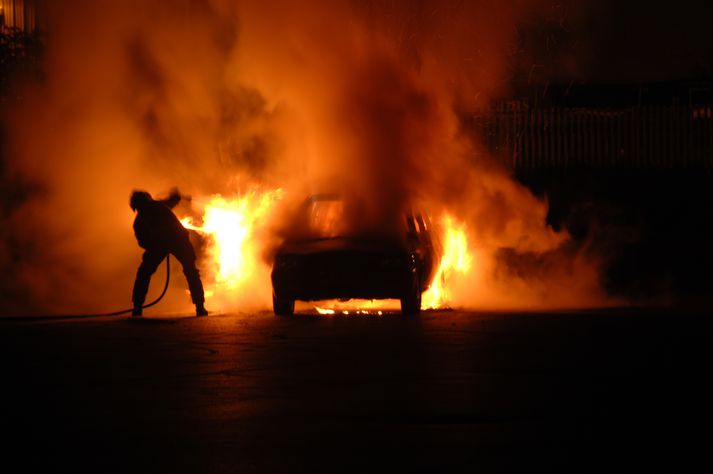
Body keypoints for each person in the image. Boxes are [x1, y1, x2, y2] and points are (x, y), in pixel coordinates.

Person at [129, 188, 207, 317]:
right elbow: (172, 201)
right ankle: (200, 306)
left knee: (144, 273)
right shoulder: (156, 207)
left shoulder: (143, 218)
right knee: (191, 271)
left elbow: (143, 243)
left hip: (171, 241)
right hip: (176, 240)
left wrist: (154, 245)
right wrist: (175, 196)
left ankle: (137, 307)